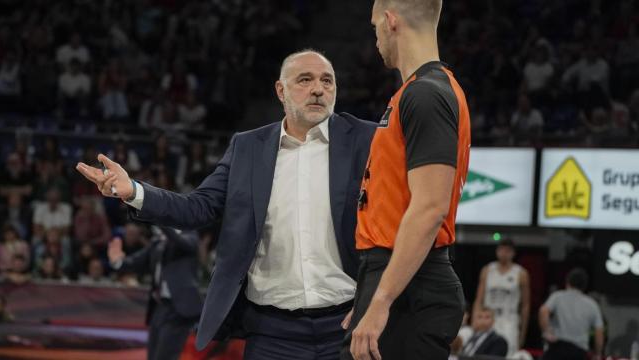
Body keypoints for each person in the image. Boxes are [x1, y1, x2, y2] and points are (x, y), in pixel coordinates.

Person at [76, 50, 377, 359]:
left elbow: (393, 224)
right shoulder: (247, 147)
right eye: (305, 79)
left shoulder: (366, 139)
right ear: (280, 90)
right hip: (271, 332)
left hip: (348, 325)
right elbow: (198, 208)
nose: (318, 89)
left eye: (327, 81)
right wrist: (134, 191)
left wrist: (376, 303)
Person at [342, 1, 471, 359]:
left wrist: (382, 299)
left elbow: (430, 208)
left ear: (390, 21)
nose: (376, 37)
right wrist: (373, 294)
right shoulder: (419, 91)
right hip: (401, 281)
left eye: (374, 26)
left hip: (413, 290)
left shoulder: (426, 94)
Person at [108, 226, 202, 360]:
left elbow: (181, 242)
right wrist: (117, 262)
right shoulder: (158, 242)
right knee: (152, 356)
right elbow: (136, 262)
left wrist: (163, 221)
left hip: (178, 310)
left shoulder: (190, 234)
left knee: (164, 357)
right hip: (159, 307)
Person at [473, 238, 531, 355]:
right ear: (497, 251)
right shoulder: (487, 270)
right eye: (501, 250)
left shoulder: (521, 273)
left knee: (508, 354)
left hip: (509, 320)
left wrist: (522, 332)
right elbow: (479, 300)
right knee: (483, 354)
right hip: (488, 319)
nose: (504, 253)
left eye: (507, 251)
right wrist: (475, 322)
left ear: (513, 253)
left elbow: (525, 305)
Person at [539, 268, 604, 360]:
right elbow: (599, 332)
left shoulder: (558, 296)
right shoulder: (592, 305)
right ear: (584, 286)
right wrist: (597, 354)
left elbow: (543, 311)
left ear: (567, 281)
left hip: (557, 348)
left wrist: (547, 331)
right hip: (579, 352)